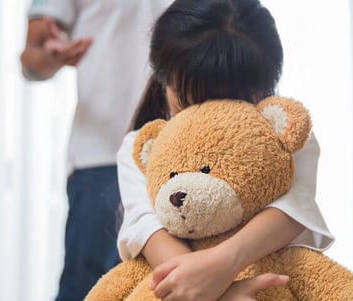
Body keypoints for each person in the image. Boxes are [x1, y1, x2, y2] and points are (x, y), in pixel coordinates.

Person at [115, 0, 335, 300]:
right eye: (187, 102)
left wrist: (224, 265)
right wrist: (222, 291)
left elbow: (294, 209)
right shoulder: (141, 148)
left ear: (263, 88)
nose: (205, 117)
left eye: (228, 102)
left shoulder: (285, 138)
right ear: (163, 80)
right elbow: (146, 227)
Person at [19, 1, 173, 300]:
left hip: (187, 152)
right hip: (103, 159)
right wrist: (53, 58)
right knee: (89, 289)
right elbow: (32, 59)